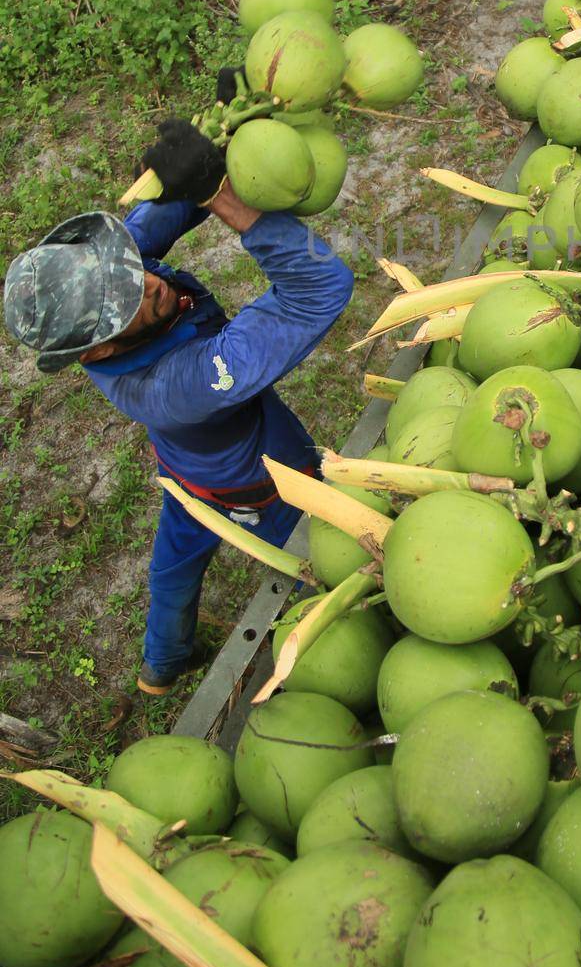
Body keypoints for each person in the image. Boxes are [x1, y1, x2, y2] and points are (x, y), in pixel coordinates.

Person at [3, 116, 354, 695]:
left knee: (171, 572)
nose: (147, 283)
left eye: (131, 270)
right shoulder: (172, 388)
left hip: (183, 471)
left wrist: (213, 146)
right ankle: (334, 629)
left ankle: (161, 666)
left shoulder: (109, 276)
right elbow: (316, 292)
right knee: (321, 559)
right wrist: (224, 197)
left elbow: (168, 205)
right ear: (103, 349)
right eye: (127, 302)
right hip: (255, 482)